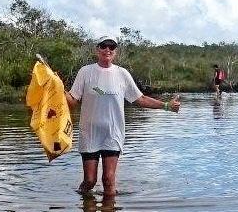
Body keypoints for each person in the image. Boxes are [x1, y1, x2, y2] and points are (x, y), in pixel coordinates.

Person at [65, 36, 180, 197]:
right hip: (89, 133)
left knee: (108, 179)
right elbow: (72, 100)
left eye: (112, 46)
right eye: (104, 46)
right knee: (90, 180)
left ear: (115, 51)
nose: (108, 49)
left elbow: (140, 99)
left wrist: (166, 106)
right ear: (97, 49)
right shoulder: (85, 72)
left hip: (113, 133)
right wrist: (56, 88)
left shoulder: (122, 73)